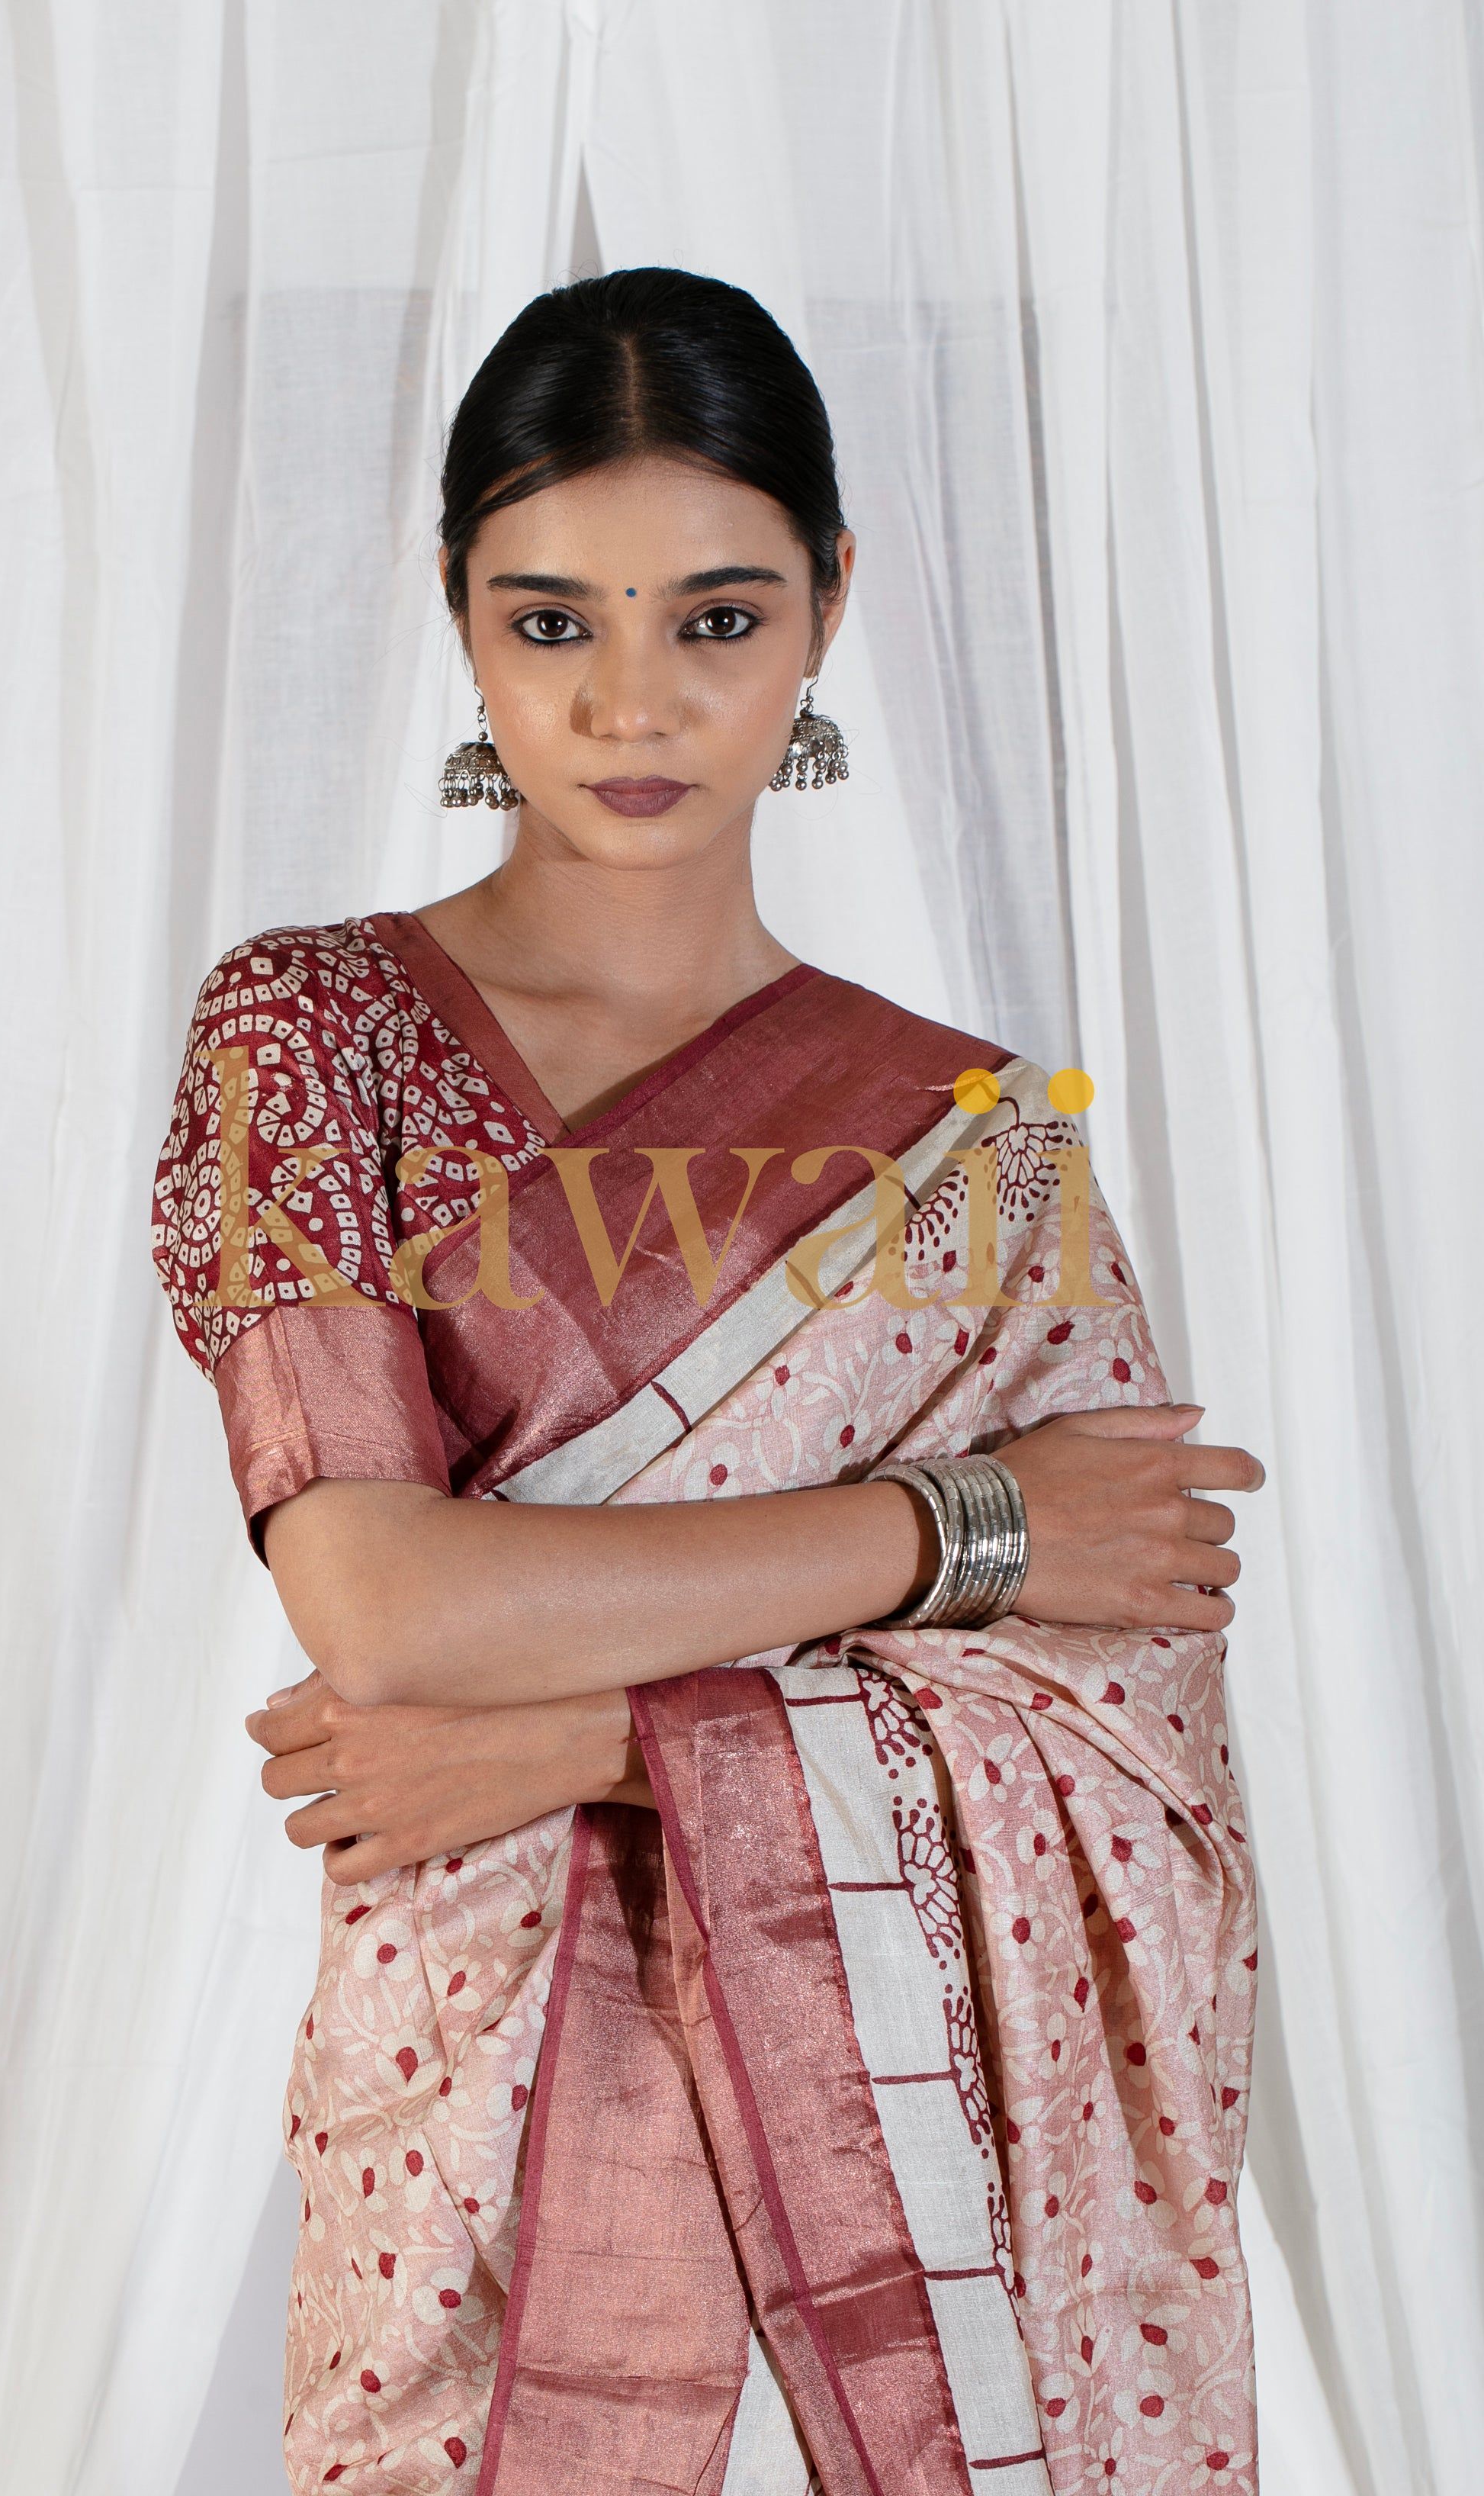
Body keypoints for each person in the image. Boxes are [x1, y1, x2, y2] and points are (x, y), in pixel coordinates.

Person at [152, 267, 1264, 2496]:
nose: (633, 702)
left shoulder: (970, 1142)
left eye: (719, 618)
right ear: (458, 616)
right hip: (461, 2102)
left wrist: (586, 1738)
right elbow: (383, 1611)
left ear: (832, 605)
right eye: (552, 620)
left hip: (918, 2143)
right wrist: (972, 1529)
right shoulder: (313, 1036)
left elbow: (1127, 1734)